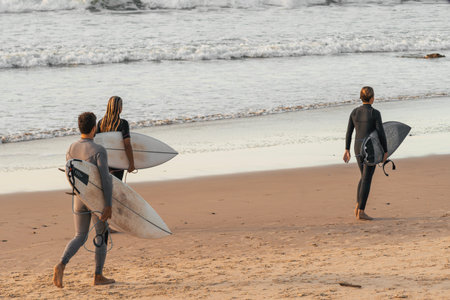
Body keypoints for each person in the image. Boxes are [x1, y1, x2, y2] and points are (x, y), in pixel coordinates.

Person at [53, 112, 115, 287]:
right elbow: (105, 179)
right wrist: (108, 204)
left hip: (79, 197)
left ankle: (61, 264)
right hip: (96, 200)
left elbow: (70, 174)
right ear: (94, 128)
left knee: (80, 236)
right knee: (101, 235)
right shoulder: (99, 150)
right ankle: (98, 275)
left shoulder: (71, 148)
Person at [343, 87, 388, 220]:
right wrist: (385, 151)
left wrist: (347, 149)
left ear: (361, 98)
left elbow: (349, 132)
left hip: (357, 147)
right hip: (369, 149)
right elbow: (381, 133)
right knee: (367, 179)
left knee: (363, 177)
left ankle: (358, 207)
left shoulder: (354, 112)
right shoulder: (375, 113)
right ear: (372, 98)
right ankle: (361, 212)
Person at [97, 96, 135, 180]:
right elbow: (127, 144)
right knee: (115, 188)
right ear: (119, 108)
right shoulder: (122, 123)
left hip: (103, 163)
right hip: (117, 162)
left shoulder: (100, 123)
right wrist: (131, 163)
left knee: (106, 188)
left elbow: (96, 143)